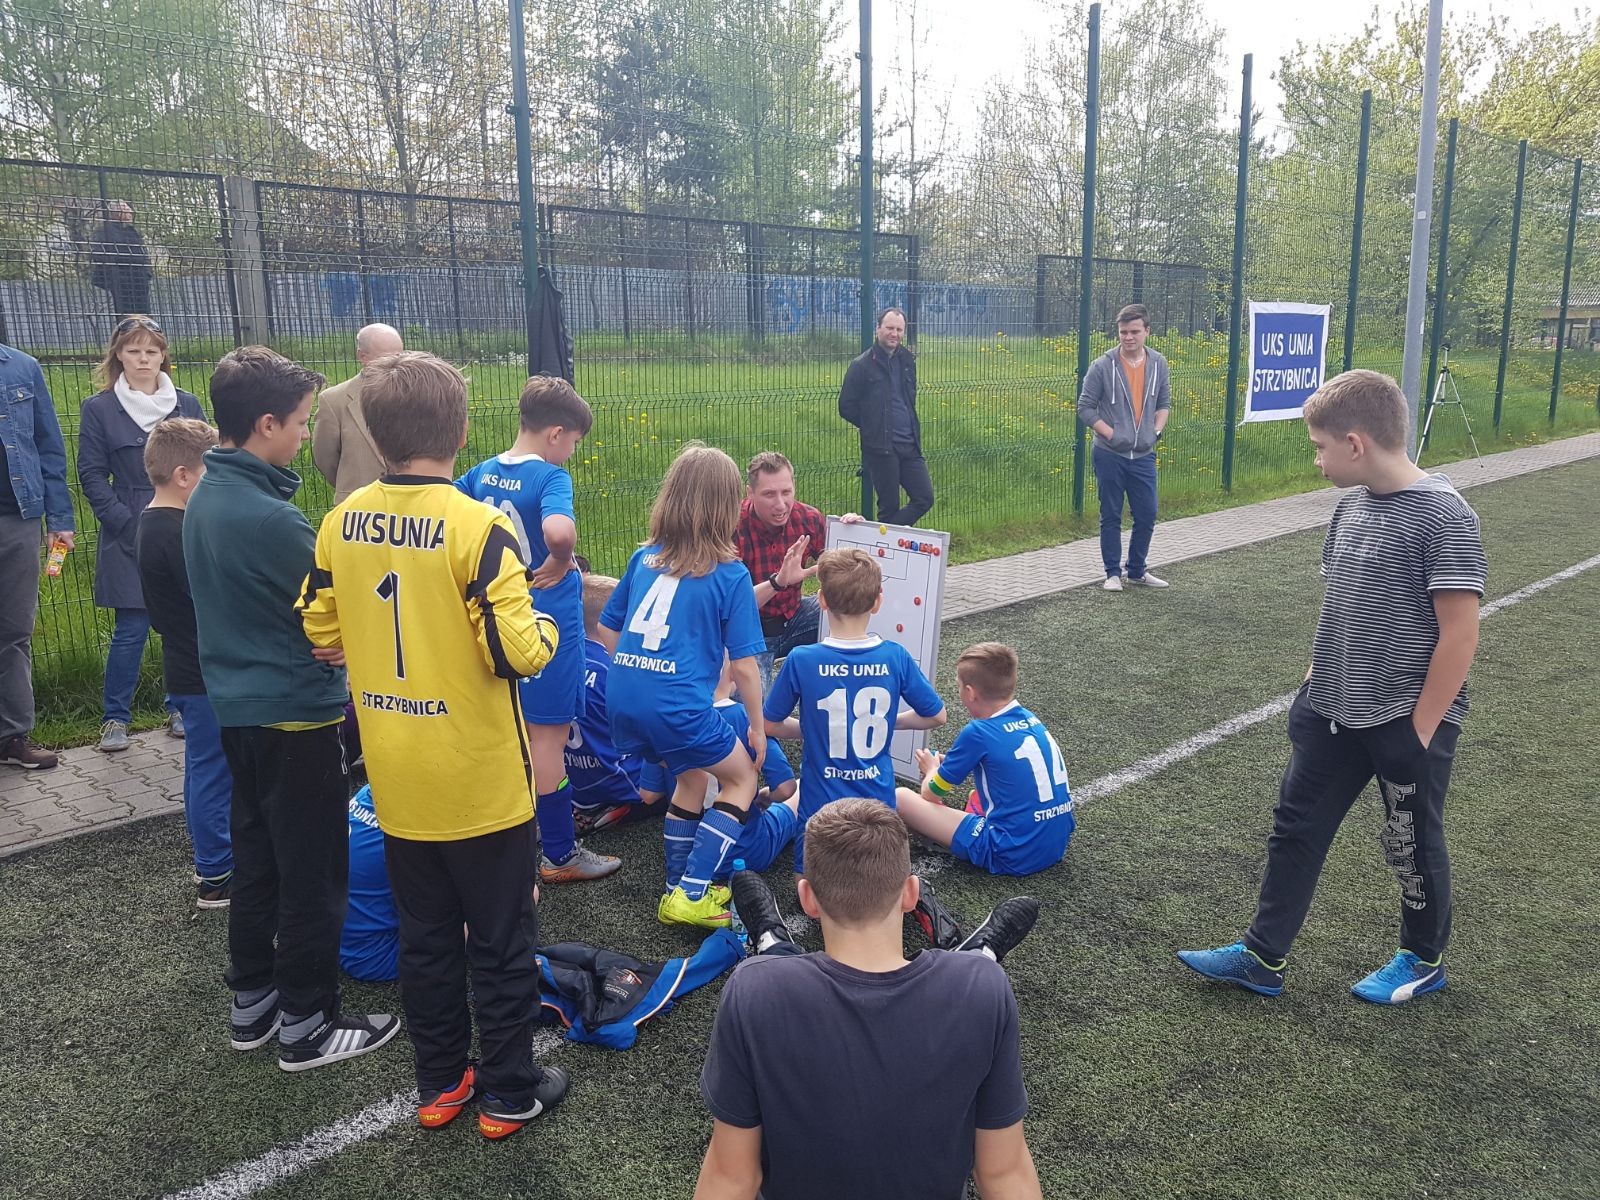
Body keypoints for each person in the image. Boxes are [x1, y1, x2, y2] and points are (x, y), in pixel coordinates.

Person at [300, 350, 568, 1136]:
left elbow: (318, 627)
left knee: (425, 941)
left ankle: (441, 1084)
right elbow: (517, 652)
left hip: (396, 777)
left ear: (374, 434)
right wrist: (549, 626)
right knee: (503, 941)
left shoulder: (340, 520)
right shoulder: (479, 525)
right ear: (460, 430)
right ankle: (510, 1093)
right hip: (480, 783)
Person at [1179, 370, 1487, 1005]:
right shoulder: (1350, 506)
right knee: (1295, 828)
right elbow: (1343, 604)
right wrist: (1312, 684)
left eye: (1319, 447)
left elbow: (1460, 633)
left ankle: (1422, 959)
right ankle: (1262, 956)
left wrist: (1420, 729)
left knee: (1410, 844)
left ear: (1355, 443)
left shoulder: (1445, 515)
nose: (1316, 461)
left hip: (1404, 718)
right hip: (1330, 710)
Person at [185, 345, 397, 1071]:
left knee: (259, 861)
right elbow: (339, 611)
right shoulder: (273, 522)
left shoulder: (205, 494)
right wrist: (347, 641)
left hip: (237, 711)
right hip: (296, 717)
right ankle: (308, 1023)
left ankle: (254, 1003)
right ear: (266, 423)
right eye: (303, 422)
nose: (308, 435)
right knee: (313, 871)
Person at [695, 800, 1043, 1200]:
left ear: (808, 900)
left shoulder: (753, 990)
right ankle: (980, 950)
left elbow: (733, 1178)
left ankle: (771, 938)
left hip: (775, 987)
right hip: (969, 983)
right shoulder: (983, 988)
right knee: (972, 970)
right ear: (911, 894)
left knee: (777, 971)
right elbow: (1003, 1173)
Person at [596, 444, 767, 930]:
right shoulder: (730, 574)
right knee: (741, 779)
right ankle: (693, 891)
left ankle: (675, 886)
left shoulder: (643, 558)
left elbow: (607, 626)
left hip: (623, 698)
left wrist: (638, 672)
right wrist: (757, 728)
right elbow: (746, 667)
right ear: (728, 507)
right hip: (677, 706)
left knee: (691, 777)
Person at [457, 375, 619, 885]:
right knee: (547, 740)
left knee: (507, 735)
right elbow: (558, 530)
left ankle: (504, 849)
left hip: (493, 620)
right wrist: (561, 558)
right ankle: (560, 853)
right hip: (544, 625)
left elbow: (450, 515)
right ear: (555, 433)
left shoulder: (480, 473)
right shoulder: (550, 478)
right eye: (574, 443)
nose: (571, 453)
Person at [764, 547, 946, 875]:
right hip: (877, 808)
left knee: (808, 885)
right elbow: (937, 716)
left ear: (821, 600)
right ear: (878, 602)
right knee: (878, 881)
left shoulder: (802, 659)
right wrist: (890, 722)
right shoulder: (895, 656)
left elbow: (769, 724)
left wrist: (815, 728)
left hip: (820, 808)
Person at [77, 315, 203, 751]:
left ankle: (180, 706)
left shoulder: (185, 403)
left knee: (183, 623)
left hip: (183, 523)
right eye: (133, 350)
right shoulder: (99, 408)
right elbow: (91, 473)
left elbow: (207, 462)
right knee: (131, 627)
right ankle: (115, 718)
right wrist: (125, 523)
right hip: (127, 522)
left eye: (151, 350)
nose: (143, 359)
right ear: (118, 355)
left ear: (163, 355)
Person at [134, 418, 234, 907]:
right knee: (213, 771)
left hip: (187, 665)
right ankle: (217, 872)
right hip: (201, 670)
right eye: (211, 474)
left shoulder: (154, 523)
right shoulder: (174, 532)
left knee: (202, 767)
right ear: (183, 476)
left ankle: (212, 860)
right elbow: (207, 598)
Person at [895, 643, 1075, 876]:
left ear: (970, 693)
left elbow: (932, 793)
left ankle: (946, 841)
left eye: (959, 686)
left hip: (1009, 852)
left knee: (901, 797)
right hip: (1055, 845)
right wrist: (953, 763)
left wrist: (931, 769)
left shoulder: (978, 732)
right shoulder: (1030, 718)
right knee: (979, 796)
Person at [0, 342, 75, 771]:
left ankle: (12, 737)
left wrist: (60, 519)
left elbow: (49, 447)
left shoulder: (23, 367)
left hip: (19, 518)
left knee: (13, 631)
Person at [734, 450, 861, 690]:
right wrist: (778, 582)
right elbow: (732, 606)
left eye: (786, 492)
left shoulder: (808, 518)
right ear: (750, 493)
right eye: (769, 494)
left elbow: (846, 569)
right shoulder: (732, 527)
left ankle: (847, 684)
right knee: (752, 704)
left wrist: (856, 536)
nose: (780, 504)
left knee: (853, 609)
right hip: (750, 631)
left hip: (794, 616)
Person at [1076, 302, 1172, 591]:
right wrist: (1112, 434)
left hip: (1143, 454)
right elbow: (1085, 408)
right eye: (1123, 332)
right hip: (1109, 454)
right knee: (1111, 514)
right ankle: (1112, 574)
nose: (1128, 337)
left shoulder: (1158, 363)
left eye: (1134, 332)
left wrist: (1155, 431)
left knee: (1147, 513)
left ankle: (1137, 570)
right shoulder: (1102, 366)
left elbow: (1164, 403)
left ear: (1147, 331)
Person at [567, 572, 667, 834]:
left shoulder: (556, 662)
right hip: (622, 783)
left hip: (574, 783)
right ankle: (623, 808)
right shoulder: (615, 670)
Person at [838, 307, 934, 527]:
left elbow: (909, 399)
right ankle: (887, 541)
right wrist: (873, 425)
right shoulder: (861, 365)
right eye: (890, 328)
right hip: (881, 448)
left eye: (899, 330)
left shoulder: (907, 360)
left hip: (910, 444)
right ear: (878, 329)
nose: (894, 334)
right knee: (889, 507)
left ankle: (883, 535)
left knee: (924, 498)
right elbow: (846, 406)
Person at [311, 323, 404, 503]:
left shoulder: (415, 395)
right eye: (387, 357)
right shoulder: (333, 400)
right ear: (362, 356)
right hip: (355, 505)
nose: (396, 363)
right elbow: (325, 458)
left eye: (400, 355)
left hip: (406, 503)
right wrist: (350, 482)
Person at [88, 200, 153, 320]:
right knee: (126, 315)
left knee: (144, 314)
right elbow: (99, 254)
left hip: (139, 280)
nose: (131, 212)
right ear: (118, 213)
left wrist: (147, 273)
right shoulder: (105, 232)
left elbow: (144, 254)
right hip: (121, 281)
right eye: (127, 210)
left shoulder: (132, 231)